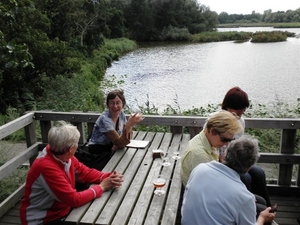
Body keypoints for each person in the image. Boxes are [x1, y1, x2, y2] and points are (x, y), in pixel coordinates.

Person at [20, 121, 124, 225]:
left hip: (61, 211)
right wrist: (102, 187)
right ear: (70, 149)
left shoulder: (61, 155)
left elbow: (85, 173)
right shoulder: (46, 167)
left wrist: (108, 176)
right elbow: (74, 199)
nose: (77, 147)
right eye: (76, 144)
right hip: (42, 220)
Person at [181, 135, 276, 225]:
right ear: (250, 167)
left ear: (226, 154)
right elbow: (238, 196)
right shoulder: (244, 197)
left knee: (261, 201)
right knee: (262, 210)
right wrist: (262, 218)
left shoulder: (200, 168)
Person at [216, 86, 271, 207]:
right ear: (227, 106)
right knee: (245, 177)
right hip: (220, 162)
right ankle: (247, 206)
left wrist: (245, 162)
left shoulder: (241, 121)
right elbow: (212, 150)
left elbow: (239, 146)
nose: (241, 111)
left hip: (236, 159)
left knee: (259, 172)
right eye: (238, 108)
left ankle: (267, 208)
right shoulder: (216, 121)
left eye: (243, 108)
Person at [180, 110, 242, 186]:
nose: (226, 144)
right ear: (212, 131)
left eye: (230, 140)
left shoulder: (206, 140)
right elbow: (211, 187)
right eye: (224, 139)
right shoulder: (200, 156)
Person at [88, 89, 143, 170]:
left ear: (123, 104)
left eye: (118, 103)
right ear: (107, 104)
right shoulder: (105, 119)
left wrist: (128, 127)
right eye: (112, 103)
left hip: (111, 149)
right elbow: (121, 142)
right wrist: (128, 125)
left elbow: (128, 138)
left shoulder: (121, 114)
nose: (115, 106)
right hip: (99, 152)